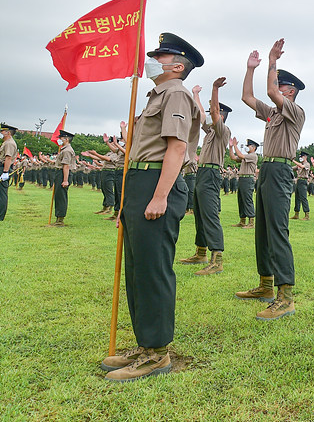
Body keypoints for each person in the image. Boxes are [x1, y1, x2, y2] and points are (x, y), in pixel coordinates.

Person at [99, 32, 202, 381]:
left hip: (160, 183)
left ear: (176, 66)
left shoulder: (175, 93)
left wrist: (159, 196)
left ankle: (157, 353)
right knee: (137, 269)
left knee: (153, 269)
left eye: (160, 56)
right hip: (141, 182)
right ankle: (146, 344)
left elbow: (175, 148)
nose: (151, 59)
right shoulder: (156, 94)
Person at [235, 40, 305, 321]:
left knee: (277, 231)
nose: (278, 88)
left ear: (291, 92)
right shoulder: (273, 114)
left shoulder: (294, 112)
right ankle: (265, 286)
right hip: (266, 171)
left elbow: (268, 91)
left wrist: (272, 60)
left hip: (280, 172)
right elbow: (247, 97)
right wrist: (250, 68)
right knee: (262, 230)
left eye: (282, 86)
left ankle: (285, 297)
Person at [181, 78, 231, 275]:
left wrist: (214, 89)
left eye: (215, 113)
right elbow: (202, 116)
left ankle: (216, 259)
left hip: (211, 173)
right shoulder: (210, 132)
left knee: (210, 215)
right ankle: (201, 252)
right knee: (200, 214)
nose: (210, 116)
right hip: (202, 172)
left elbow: (214, 112)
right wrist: (196, 95)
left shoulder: (222, 131)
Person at [229, 138, 259, 228]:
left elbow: (239, 155)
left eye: (249, 146)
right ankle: (242, 220)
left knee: (247, 200)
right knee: (241, 200)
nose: (247, 147)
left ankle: (251, 222)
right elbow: (233, 157)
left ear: (253, 147)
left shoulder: (253, 156)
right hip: (242, 179)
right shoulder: (246, 156)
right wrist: (231, 147)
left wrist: (235, 145)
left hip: (248, 179)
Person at [51, 130, 77, 227]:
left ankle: (60, 219)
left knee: (61, 196)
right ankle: (58, 217)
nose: (59, 140)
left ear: (66, 139)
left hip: (63, 174)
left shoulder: (67, 150)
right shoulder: (64, 149)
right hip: (60, 173)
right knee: (58, 195)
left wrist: (65, 180)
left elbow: (66, 166)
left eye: (60, 138)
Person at [0, 124, 19, 221]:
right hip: (3, 167)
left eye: (2, 131)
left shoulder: (9, 143)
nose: (1, 133)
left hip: (3, 168)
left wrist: (5, 172)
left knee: (2, 192)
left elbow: (8, 158)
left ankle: (0, 216)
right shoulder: (6, 142)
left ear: (8, 132)